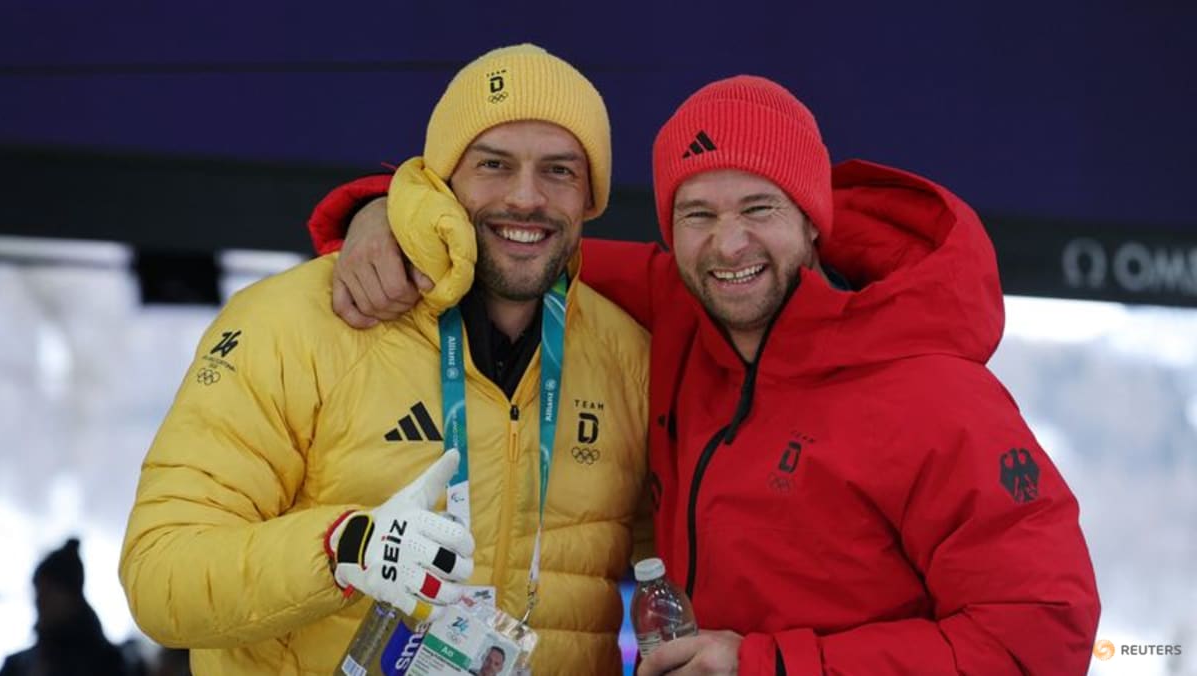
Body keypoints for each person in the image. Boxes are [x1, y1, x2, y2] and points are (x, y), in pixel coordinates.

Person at [307, 75, 1102, 674]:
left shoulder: (938, 397)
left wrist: (771, 664)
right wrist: (384, 212)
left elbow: (1043, 632)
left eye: (758, 209)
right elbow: (520, 242)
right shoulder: (681, 315)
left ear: (812, 223)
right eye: (698, 214)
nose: (728, 246)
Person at [119, 44, 650, 675]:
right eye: (493, 164)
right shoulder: (295, 321)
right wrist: (342, 549)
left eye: (559, 170)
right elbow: (159, 572)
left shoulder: (626, 357)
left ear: (592, 196)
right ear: (443, 178)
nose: (527, 197)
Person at [0, 538, 137, 676]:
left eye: (48, 592)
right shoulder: (19, 664)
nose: (39, 601)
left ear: (71, 596)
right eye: (38, 592)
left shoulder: (105, 663)